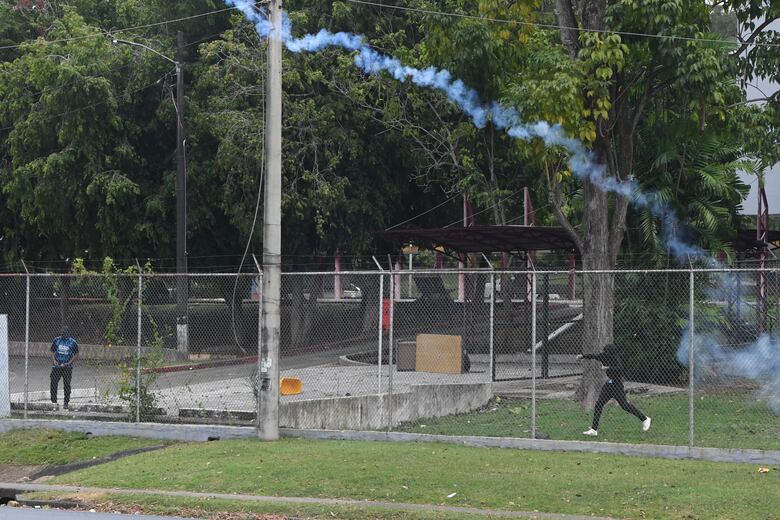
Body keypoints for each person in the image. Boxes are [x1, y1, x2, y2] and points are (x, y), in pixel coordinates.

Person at [577, 343, 651, 436]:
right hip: (609, 384)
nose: (605, 355)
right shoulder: (603, 356)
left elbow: (620, 368)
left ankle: (645, 419)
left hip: (617, 384)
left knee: (624, 405)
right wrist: (583, 356)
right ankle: (594, 429)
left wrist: (608, 367)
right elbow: (594, 356)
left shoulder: (616, 358)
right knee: (599, 404)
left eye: (607, 353)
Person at [51, 326, 79, 410]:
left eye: (65, 334)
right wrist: (54, 361)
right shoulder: (57, 340)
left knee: (67, 385)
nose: (63, 335)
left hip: (67, 367)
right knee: (53, 383)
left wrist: (68, 363)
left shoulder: (72, 342)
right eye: (62, 333)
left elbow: (76, 354)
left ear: (68, 334)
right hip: (57, 366)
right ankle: (54, 402)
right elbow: (52, 351)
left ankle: (66, 402)